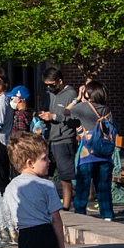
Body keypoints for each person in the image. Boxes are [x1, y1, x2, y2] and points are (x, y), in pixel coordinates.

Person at [69, 80, 115, 221]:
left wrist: (78, 98)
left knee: (83, 185)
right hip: (105, 154)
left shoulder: (82, 107)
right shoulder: (107, 110)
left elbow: (66, 111)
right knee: (103, 186)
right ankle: (107, 214)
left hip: (87, 154)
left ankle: (80, 212)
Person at [37, 67, 78, 209]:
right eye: (47, 85)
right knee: (44, 174)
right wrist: (43, 117)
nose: (49, 87)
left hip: (64, 140)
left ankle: (66, 208)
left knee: (65, 177)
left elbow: (74, 119)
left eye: (52, 84)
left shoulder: (71, 94)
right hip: (49, 138)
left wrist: (54, 116)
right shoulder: (50, 94)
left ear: (60, 81)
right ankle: (47, 205)